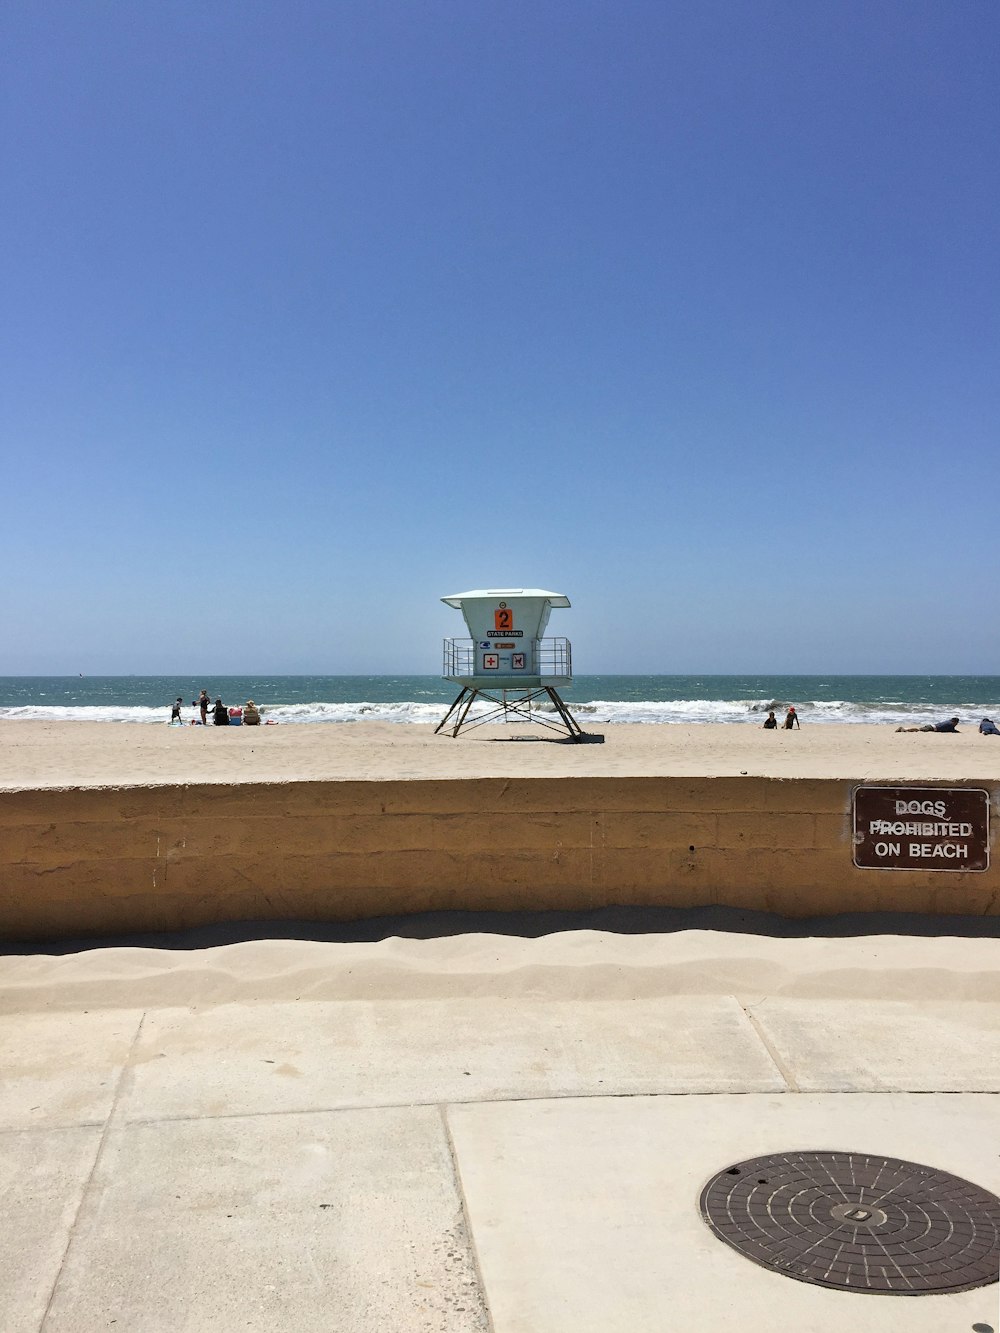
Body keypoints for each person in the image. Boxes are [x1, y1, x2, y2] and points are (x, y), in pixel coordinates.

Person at [896, 716, 961, 733]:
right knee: (918, 729)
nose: (957, 724)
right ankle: (904, 729)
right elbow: (952, 730)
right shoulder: (950, 724)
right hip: (931, 728)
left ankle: (904, 729)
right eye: (956, 723)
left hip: (931, 726)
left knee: (919, 729)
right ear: (954, 722)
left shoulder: (948, 722)